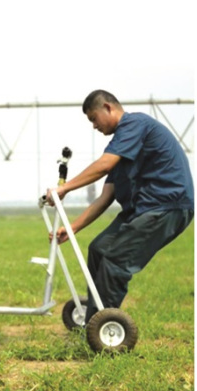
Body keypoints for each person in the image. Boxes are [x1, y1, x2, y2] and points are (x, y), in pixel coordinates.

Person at [46, 89, 194, 323]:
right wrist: (73, 228)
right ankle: (95, 318)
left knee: (115, 260)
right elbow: (105, 197)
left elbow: (103, 166)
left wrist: (65, 188)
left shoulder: (134, 125)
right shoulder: (122, 146)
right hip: (143, 209)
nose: (94, 126)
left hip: (166, 206)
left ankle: (102, 326)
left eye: (93, 118)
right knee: (99, 249)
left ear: (108, 107)